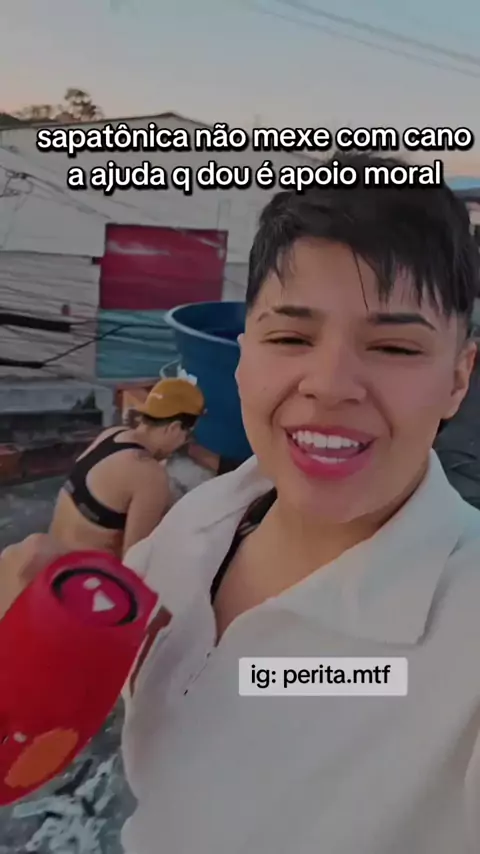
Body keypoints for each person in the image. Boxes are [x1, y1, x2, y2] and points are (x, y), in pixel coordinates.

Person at [2, 151, 480, 854]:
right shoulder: (202, 523)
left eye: (394, 347)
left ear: (459, 378)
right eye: (290, 337)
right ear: (243, 351)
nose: (329, 384)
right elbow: (248, 684)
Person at [49, 377, 205, 557]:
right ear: (174, 428)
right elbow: (134, 560)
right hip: (85, 570)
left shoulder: (112, 435)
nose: (184, 442)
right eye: (188, 435)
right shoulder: (150, 476)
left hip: (53, 554)